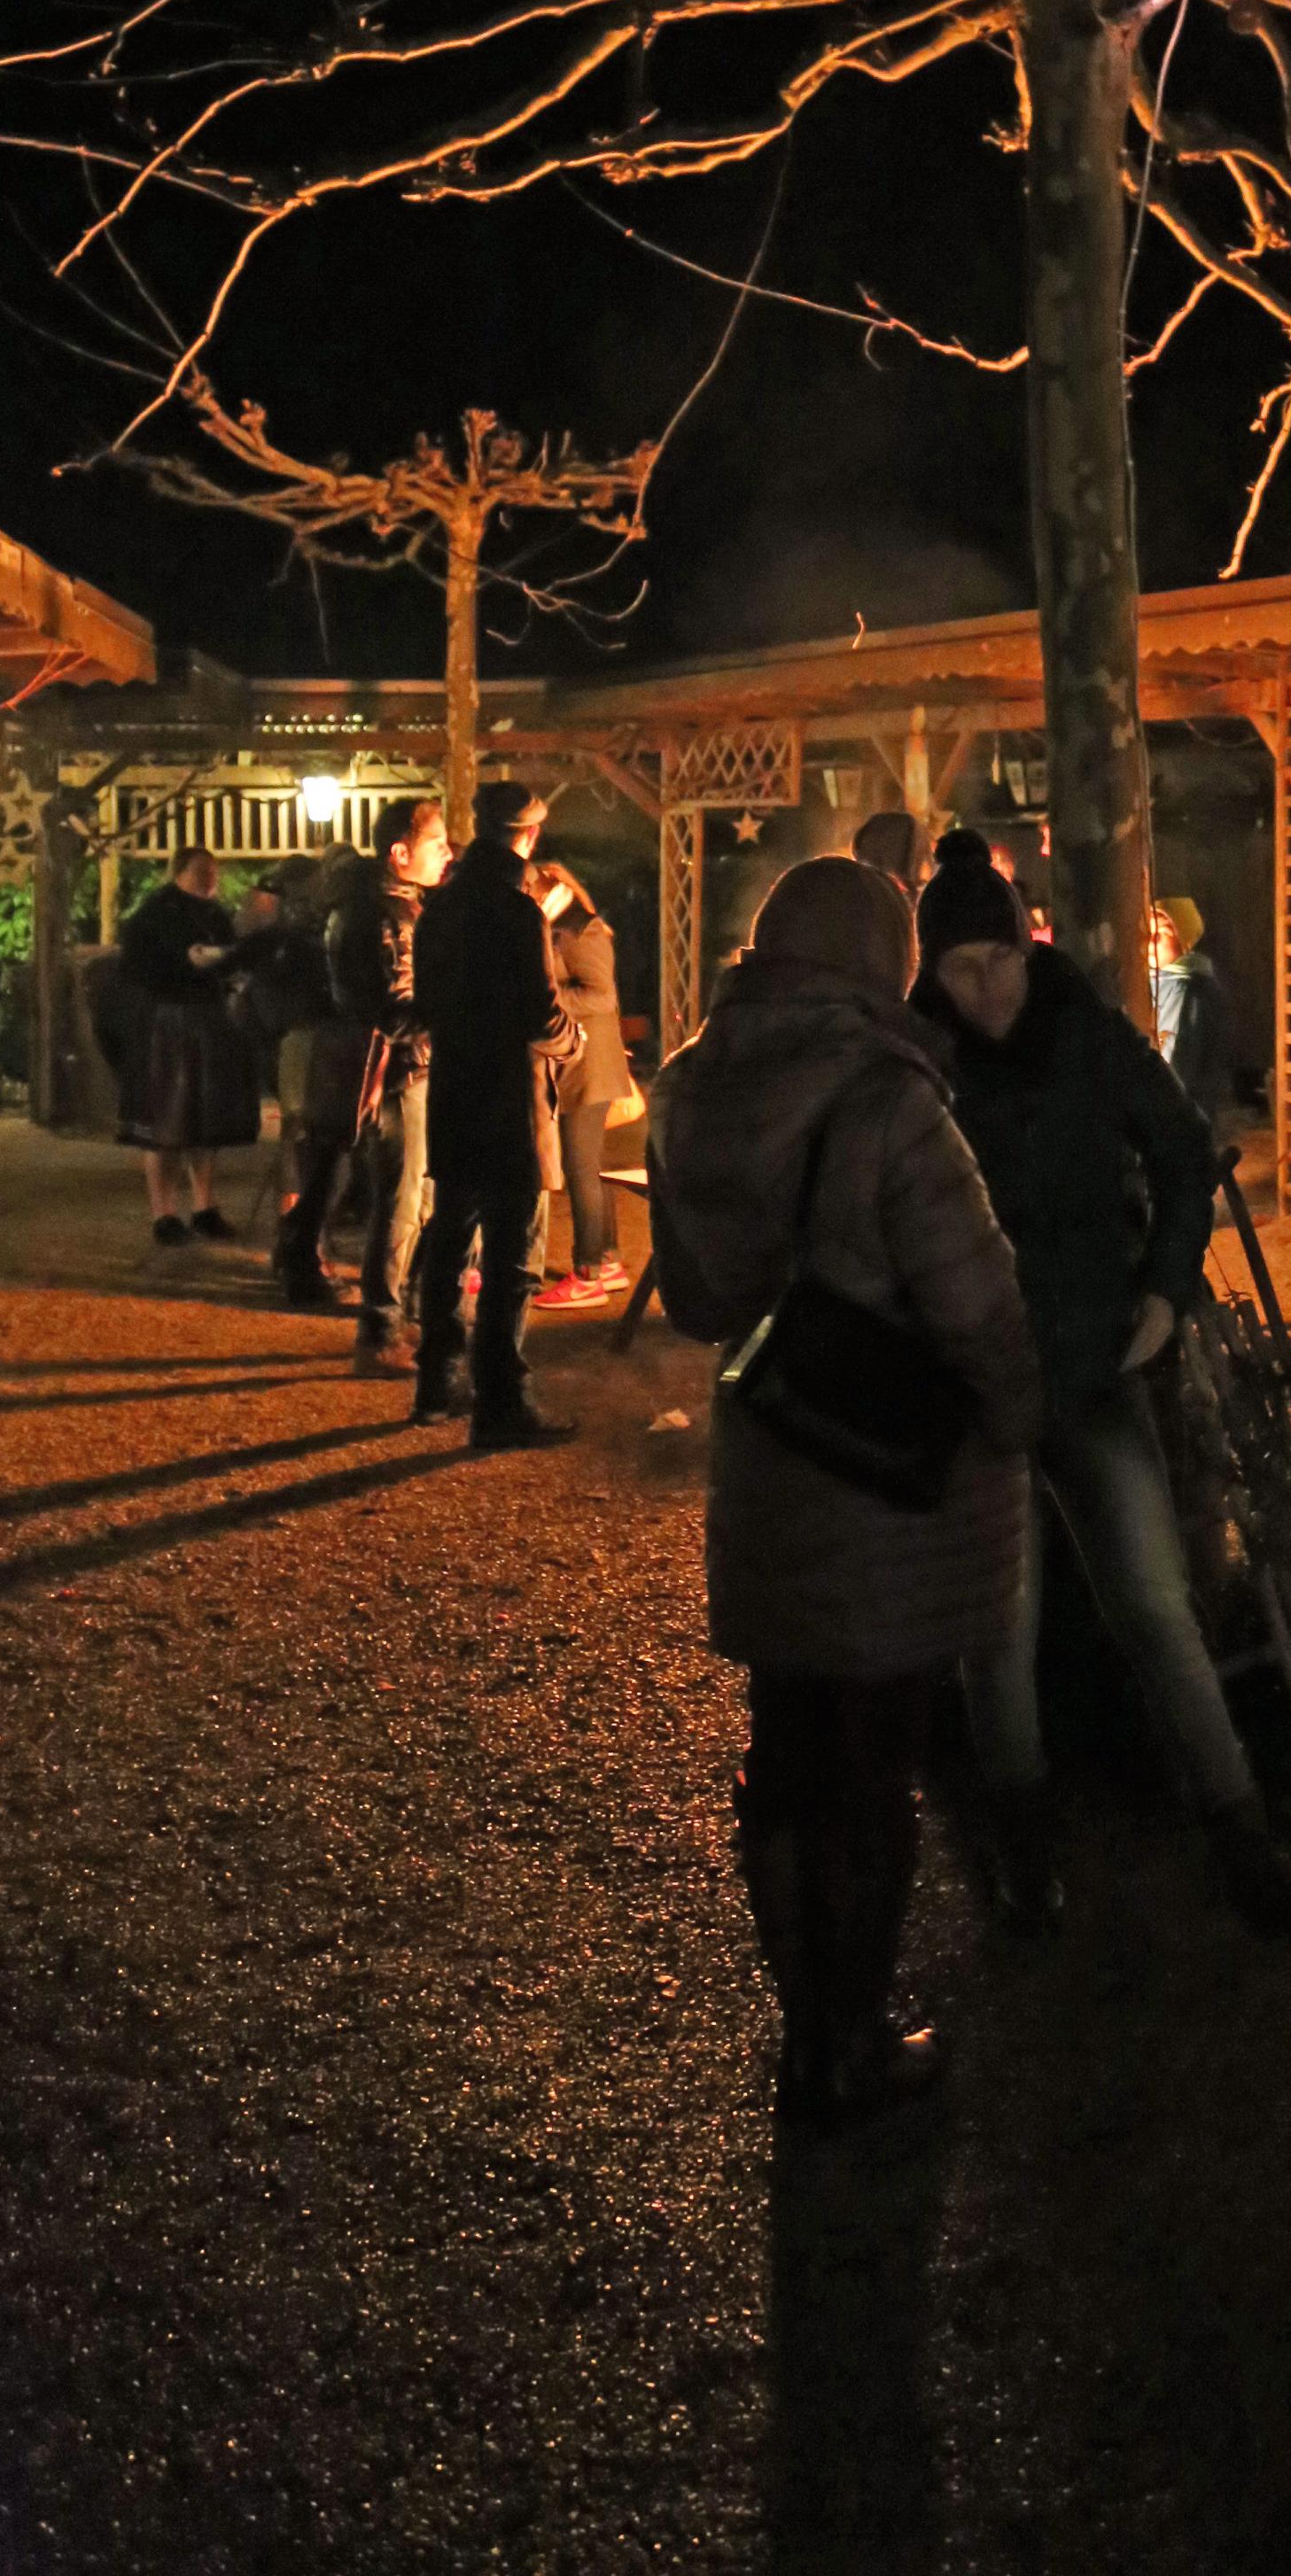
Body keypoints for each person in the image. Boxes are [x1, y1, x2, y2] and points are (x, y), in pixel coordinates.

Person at [648, 854, 1040, 2131]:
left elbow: (696, 1299)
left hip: (771, 1462)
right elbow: (977, 1305)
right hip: (888, 1486)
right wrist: (1020, 1416)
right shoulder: (888, 1095)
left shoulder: (693, 1084)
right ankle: (854, 2043)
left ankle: (804, 2027)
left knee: (786, 1757)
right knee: (874, 1771)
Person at [914, 828, 1291, 1940]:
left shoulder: (1084, 1032)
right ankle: (1023, 1861)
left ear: (1027, 947)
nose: (987, 988)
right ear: (933, 971)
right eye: (961, 968)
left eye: (1000, 960)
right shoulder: (920, 1058)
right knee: (998, 1631)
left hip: (1092, 1362)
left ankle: (1245, 1841)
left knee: (1155, 1604)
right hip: (975, 1383)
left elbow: (1185, 1150)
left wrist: (1163, 1289)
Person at [410, 783, 580, 1449]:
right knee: (513, 1255)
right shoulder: (518, 910)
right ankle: (500, 1404)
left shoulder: (439, 907)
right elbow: (541, 1013)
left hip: (454, 1092)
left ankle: (437, 1384)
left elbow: (427, 1002)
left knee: (451, 1239)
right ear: (529, 836)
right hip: (511, 1101)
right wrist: (574, 1042)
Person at [325, 794, 447, 1369]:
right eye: (436, 843)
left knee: (416, 1198)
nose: (447, 853)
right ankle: (380, 1330)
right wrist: (459, 1002)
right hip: (401, 1072)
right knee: (403, 1202)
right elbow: (396, 1011)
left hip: (400, 1069)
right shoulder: (390, 916)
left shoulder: (379, 907)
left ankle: (402, 1319)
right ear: (401, 853)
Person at [114, 845, 259, 1246]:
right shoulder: (154, 914)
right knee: (165, 1120)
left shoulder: (216, 916)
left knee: (204, 1122)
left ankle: (204, 1206)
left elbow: (232, 958)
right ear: (179, 871)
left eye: (213, 872)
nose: (209, 879)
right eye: (200, 871)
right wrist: (182, 964)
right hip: (166, 1022)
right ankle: (163, 1212)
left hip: (208, 1021)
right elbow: (135, 969)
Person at [269, 845, 370, 1311]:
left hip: (323, 1048)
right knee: (326, 1160)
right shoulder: (339, 929)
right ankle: (305, 1258)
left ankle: (299, 1253)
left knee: (322, 1157)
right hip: (335, 1052)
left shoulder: (309, 929)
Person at [535, 863, 635, 1307]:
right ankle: (607, 1261)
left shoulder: (578, 930)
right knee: (589, 1168)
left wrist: (544, 1001)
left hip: (589, 1067)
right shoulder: (559, 929)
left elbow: (601, 995)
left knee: (581, 1171)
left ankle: (588, 1274)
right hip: (581, 1064)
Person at [1149, 895, 1235, 1135]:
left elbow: (1178, 1060)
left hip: (1178, 1114)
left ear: (1184, 941)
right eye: (1147, 934)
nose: (1151, 942)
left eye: (1161, 935)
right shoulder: (1158, 981)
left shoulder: (1189, 991)